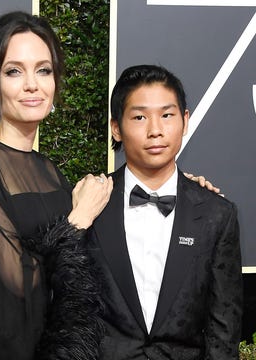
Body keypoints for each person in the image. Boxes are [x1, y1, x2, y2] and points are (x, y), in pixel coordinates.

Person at [0, 11, 114, 360]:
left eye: (43, 70)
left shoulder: (49, 170)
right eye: (14, 71)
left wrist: (186, 184)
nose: (32, 84)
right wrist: (78, 219)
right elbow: (16, 280)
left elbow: (78, 272)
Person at [88, 64, 243, 359]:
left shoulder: (216, 215)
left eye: (167, 115)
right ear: (116, 128)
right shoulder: (90, 205)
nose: (155, 130)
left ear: (185, 121)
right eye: (139, 117)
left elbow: (223, 329)